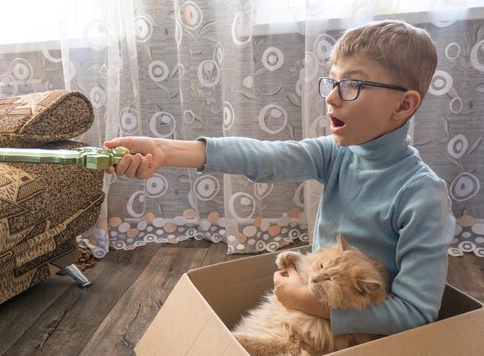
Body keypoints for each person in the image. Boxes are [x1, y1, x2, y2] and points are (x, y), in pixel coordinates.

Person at [103, 20, 456, 336]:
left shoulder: (421, 195)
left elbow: (415, 313)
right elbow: (264, 156)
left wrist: (308, 303)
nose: (331, 98)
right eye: (332, 83)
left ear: (404, 105)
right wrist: (163, 150)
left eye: (352, 85)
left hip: (363, 335)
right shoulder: (337, 153)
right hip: (311, 308)